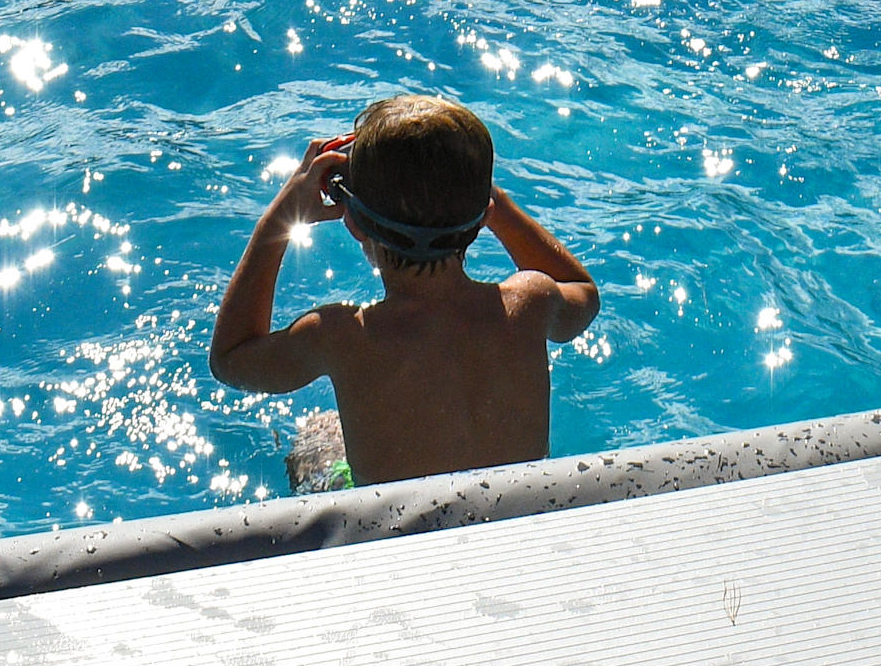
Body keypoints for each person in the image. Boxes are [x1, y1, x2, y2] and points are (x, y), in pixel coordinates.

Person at [208, 95, 601, 490]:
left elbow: (230, 360)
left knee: (316, 433)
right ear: (485, 216)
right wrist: (493, 203)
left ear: (353, 224)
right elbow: (583, 292)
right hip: (518, 515)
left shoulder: (339, 335)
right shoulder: (531, 302)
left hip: (394, 524)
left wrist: (279, 217)